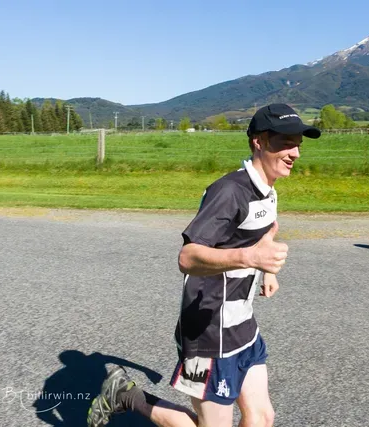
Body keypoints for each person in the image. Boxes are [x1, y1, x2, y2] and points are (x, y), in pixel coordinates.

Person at [87, 103, 321, 427]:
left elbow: (265, 230)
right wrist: (250, 258)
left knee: (262, 417)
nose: (295, 152)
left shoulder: (267, 190)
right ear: (259, 141)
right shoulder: (228, 192)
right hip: (208, 332)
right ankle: (125, 395)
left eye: (298, 143)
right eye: (285, 142)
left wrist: (265, 270)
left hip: (242, 323)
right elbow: (188, 257)